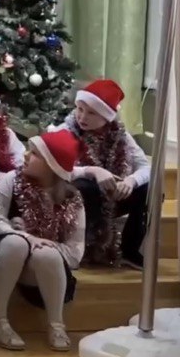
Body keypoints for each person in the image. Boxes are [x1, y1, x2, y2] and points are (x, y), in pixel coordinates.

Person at [0, 128, 85, 352]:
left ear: (52, 165)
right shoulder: (12, 180)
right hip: (8, 259)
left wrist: (43, 245)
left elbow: (75, 253)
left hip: (47, 270)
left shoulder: (72, 197)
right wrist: (26, 236)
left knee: (46, 254)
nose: (25, 155)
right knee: (16, 243)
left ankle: (56, 325)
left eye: (35, 153)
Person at [64, 79, 150, 268]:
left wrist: (131, 181)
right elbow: (56, 169)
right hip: (75, 197)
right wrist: (92, 171)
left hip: (111, 195)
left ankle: (130, 250)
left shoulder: (120, 135)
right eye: (79, 109)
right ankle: (84, 248)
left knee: (149, 189)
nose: (82, 117)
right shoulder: (65, 132)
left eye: (91, 112)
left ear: (107, 116)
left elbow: (146, 167)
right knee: (85, 186)